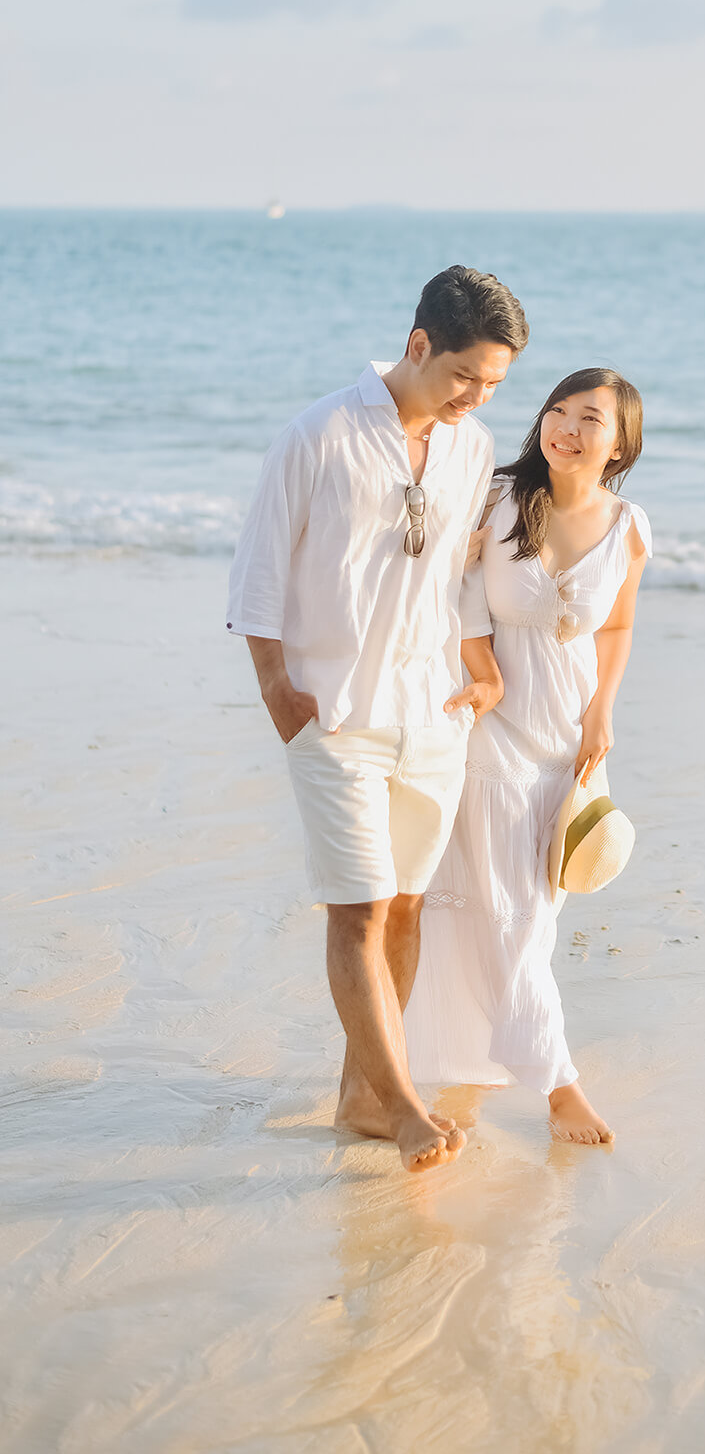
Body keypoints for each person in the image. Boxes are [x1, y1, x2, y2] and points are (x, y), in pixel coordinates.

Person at [226, 265, 528, 1171]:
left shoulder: (469, 448)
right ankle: (401, 1108)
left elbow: (459, 578)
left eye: (494, 386)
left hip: (431, 713)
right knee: (355, 909)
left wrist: (484, 676)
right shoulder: (318, 434)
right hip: (335, 713)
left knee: (402, 910)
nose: (476, 397)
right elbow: (259, 573)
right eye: (464, 375)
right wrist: (280, 691)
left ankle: (362, 1095)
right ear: (418, 343)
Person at [403, 369, 650, 1146]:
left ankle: (474, 1063)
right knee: (509, 914)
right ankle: (559, 1086)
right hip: (494, 729)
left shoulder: (629, 526)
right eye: (558, 410)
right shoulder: (500, 497)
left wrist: (604, 713)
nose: (566, 428)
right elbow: (457, 587)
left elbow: (615, 628)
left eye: (590, 419)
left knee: (531, 919)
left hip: (570, 741)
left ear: (620, 446)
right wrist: (481, 673)